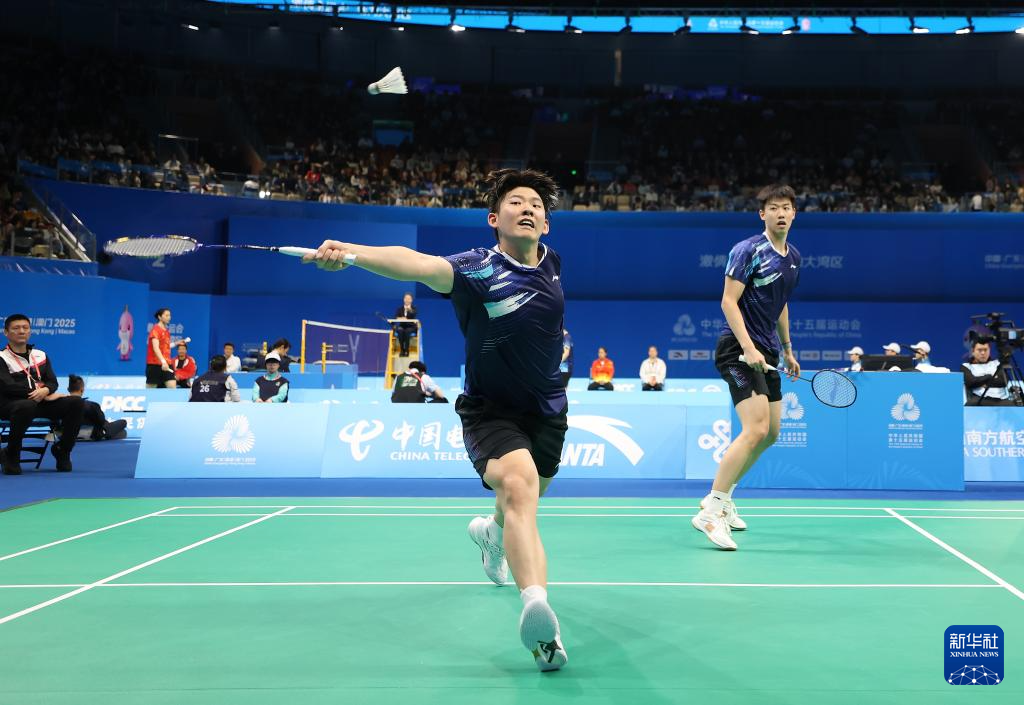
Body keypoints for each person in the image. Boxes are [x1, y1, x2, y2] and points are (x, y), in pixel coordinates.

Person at [304, 168, 569, 672]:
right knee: (520, 485)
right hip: (492, 409)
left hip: (548, 408)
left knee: (528, 495)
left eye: (536, 204)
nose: (528, 208)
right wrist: (351, 253)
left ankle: (491, 535)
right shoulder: (476, 268)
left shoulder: (551, 262)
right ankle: (539, 617)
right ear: (494, 218)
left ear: (546, 224)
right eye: (516, 202)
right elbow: (415, 263)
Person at [695, 184, 802, 551]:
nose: (780, 213)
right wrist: (748, 346)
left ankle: (725, 499)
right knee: (755, 428)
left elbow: (781, 304)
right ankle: (711, 511)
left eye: (786, 207)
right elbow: (728, 301)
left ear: (794, 213)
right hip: (738, 349)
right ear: (762, 214)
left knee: (771, 433)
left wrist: (787, 349)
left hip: (767, 352)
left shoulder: (793, 257)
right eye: (773, 207)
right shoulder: (748, 251)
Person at [0, 314, 84, 473]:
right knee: (26, 405)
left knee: (76, 402)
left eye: (25, 328)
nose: (21, 331)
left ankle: (63, 450)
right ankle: (11, 455)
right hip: (11, 405)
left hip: (40, 403)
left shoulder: (40, 355)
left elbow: (52, 382)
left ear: (30, 331)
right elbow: (7, 386)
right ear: (6, 332)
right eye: (16, 328)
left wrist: (46, 390)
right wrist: (40, 394)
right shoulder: (2, 357)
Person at [66, 375, 128, 440]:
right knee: (123, 423)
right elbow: (101, 421)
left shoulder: (61, 404)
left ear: (68, 389)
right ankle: (104, 434)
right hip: (92, 434)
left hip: (69, 434)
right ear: (82, 390)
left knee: (122, 433)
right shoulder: (91, 405)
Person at [963, 341, 1016, 406]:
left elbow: (1003, 381)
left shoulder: (997, 363)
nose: (983, 353)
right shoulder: (966, 366)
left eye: (985, 350)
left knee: (1016, 406)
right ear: (972, 351)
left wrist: (981, 381)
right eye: (979, 350)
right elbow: (971, 382)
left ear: (989, 350)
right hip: (979, 399)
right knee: (969, 405)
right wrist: (989, 377)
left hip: (1001, 400)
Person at [146, 308, 176, 389]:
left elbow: (166, 346)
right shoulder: (155, 330)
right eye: (166, 315)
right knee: (151, 391)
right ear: (159, 317)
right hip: (154, 365)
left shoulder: (166, 331)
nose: (169, 317)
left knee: (172, 387)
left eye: (169, 315)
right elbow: (156, 348)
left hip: (167, 364)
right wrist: (163, 362)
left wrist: (176, 343)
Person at [394, 292, 418, 357]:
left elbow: (413, 314)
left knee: (407, 331)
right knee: (400, 330)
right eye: (406, 298)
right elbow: (396, 317)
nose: (407, 300)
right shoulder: (399, 309)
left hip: (411, 326)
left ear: (411, 300)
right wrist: (401, 318)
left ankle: (407, 350)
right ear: (403, 299)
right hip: (402, 326)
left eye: (409, 298)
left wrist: (409, 309)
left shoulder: (414, 308)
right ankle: (402, 350)